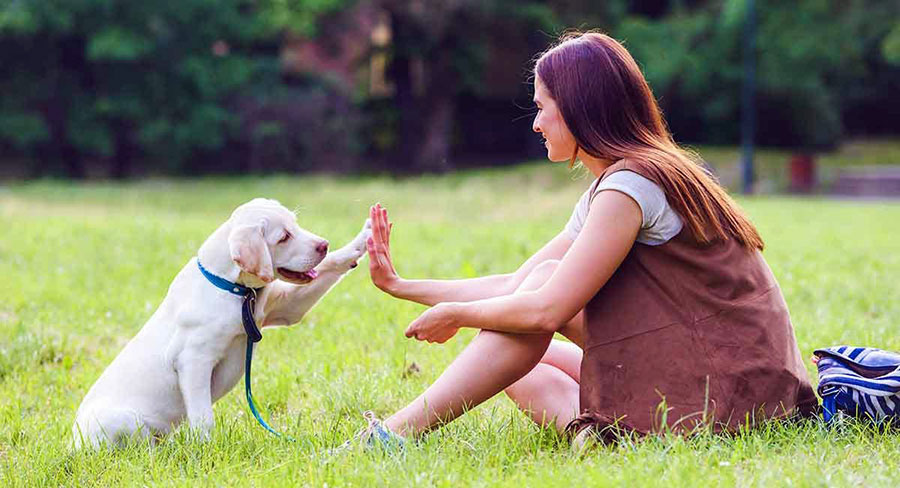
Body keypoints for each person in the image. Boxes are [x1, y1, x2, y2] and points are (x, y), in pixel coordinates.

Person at [356, 31, 816, 446]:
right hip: (729, 377)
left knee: (531, 305)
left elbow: (546, 308)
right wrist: (401, 286)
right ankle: (605, 438)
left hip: (739, 394)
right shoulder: (623, 179)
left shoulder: (632, 185)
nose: (535, 124)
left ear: (578, 108)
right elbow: (520, 284)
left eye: (541, 108)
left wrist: (458, 314)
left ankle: (392, 436)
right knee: (518, 367)